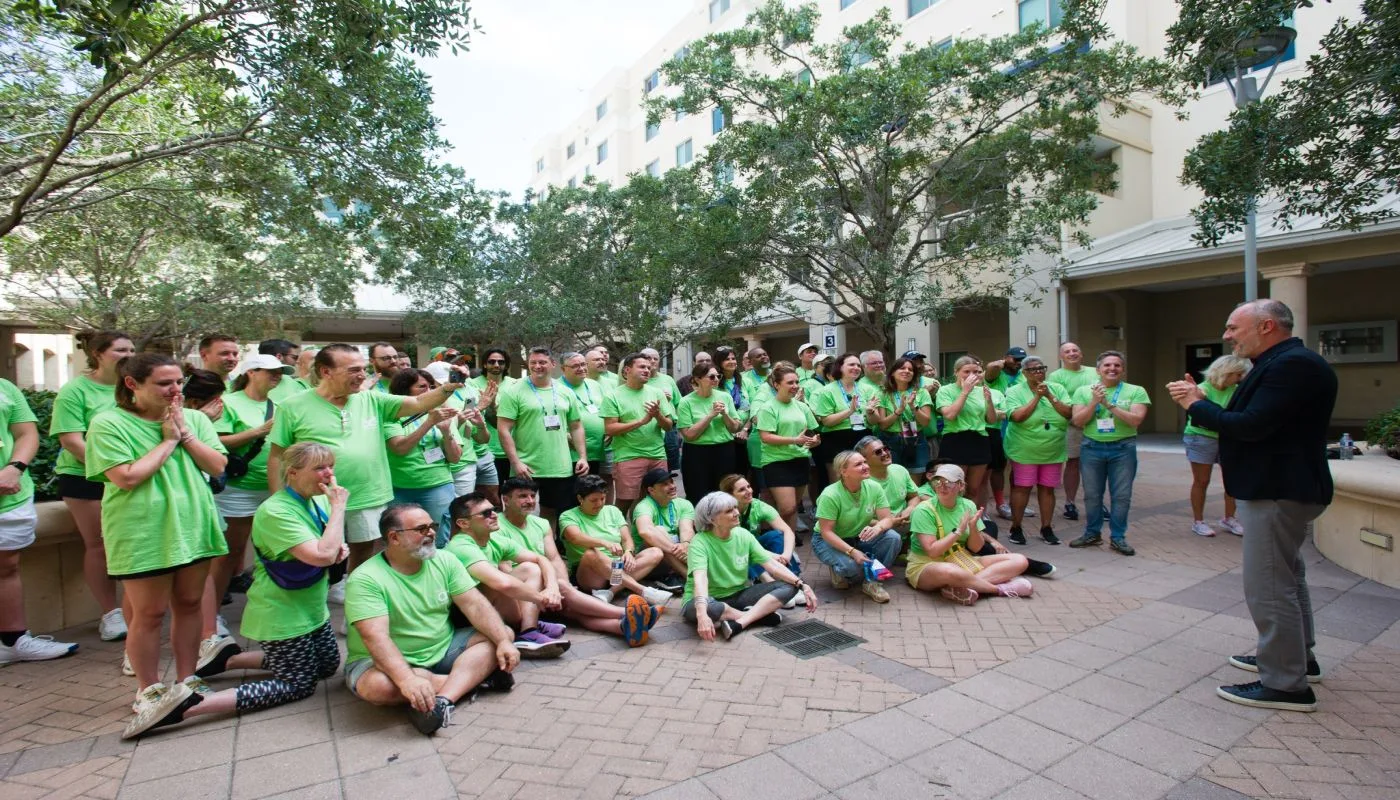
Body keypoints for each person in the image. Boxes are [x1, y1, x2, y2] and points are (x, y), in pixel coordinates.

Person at [1167, 299, 1336, 713]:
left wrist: (1194, 404)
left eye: (1233, 327)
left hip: (1276, 489)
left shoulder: (1291, 365)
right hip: (1280, 487)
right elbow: (1254, 419)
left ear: (1266, 326)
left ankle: (1286, 684)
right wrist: (1202, 398)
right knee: (1287, 577)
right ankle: (1298, 659)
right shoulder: (1281, 363)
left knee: (1269, 587)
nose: (1227, 335)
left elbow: (1249, 426)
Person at [126, 443, 349, 738]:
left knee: (328, 665)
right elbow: (321, 555)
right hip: (283, 614)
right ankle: (191, 705)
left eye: (330, 466)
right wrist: (339, 510)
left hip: (312, 608)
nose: (329, 473)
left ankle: (226, 659)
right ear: (293, 473)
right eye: (319, 468)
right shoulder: (276, 511)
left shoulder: (318, 501)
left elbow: (329, 544)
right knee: (299, 684)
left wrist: (338, 547)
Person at [85, 353, 229, 737]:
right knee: (148, 614)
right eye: (165, 383)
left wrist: (186, 434)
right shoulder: (108, 423)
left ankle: (188, 679)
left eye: (179, 382)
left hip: (194, 526)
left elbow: (217, 466)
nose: (175, 390)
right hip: (142, 531)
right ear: (132, 384)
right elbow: (127, 477)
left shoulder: (195, 419)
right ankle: (148, 690)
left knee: (189, 604)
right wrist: (168, 442)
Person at [268, 344, 461, 586]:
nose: (362, 376)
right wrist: (279, 499)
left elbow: (419, 403)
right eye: (353, 370)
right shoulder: (293, 406)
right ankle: (320, 592)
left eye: (363, 369)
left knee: (362, 551)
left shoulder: (372, 399)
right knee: (318, 553)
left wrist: (449, 387)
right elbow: (277, 456)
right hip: (316, 499)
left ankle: (354, 590)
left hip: (368, 495)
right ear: (326, 371)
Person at [344, 504, 520, 734]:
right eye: (421, 529)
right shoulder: (365, 579)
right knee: (378, 687)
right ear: (394, 537)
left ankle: (443, 700)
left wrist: (503, 642)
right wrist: (406, 679)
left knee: (503, 634)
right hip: (381, 661)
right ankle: (473, 677)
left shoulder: (445, 560)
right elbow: (375, 638)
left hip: (443, 647)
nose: (431, 533)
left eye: (432, 526)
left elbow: (475, 604)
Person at [497, 478, 660, 646]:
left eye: (532, 496)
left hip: (551, 584)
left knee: (576, 611)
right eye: (522, 496)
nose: (530, 500)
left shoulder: (541, 523)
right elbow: (505, 570)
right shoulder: (497, 526)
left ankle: (623, 626)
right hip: (518, 592)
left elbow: (554, 559)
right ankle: (629, 613)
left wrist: (562, 587)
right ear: (506, 500)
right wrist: (548, 590)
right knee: (541, 574)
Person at [50, 330, 135, 642]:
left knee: (130, 543)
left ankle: (137, 609)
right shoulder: (75, 391)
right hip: (84, 477)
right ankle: (110, 614)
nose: (128, 356)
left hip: (131, 474)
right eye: (121, 350)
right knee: (99, 544)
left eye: (132, 350)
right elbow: (72, 440)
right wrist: (111, 468)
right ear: (98, 354)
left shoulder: (133, 386)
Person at [203, 354, 287, 659]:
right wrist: (259, 431)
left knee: (273, 552)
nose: (277, 376)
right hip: (237, 490)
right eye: (271, 371)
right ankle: (210, 619)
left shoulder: (279, 405)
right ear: (251, 372)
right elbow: (214, 441)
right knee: (229, 554)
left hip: (273, 488)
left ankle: (274, 613)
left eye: (280, 372)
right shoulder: (228, 402)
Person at [0, 377, 79, 665]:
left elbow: (26, 434)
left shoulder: (5, 388)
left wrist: (14, 468)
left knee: (7, 567)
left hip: (10, 497)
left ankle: (12, 642)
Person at [444, 493, 570, 657]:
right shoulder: (461, 546)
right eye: (486, 513)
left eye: (494, 509)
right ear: (463, 523)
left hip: (491, 608)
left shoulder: (493, 539)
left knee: (530, 568)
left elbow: (541, 559)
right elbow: (502, 584)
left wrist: (552, 588)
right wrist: (542, 599)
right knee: (494, 582)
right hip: (465, 616)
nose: (494, 515)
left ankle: (528, 630)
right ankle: (525, 628)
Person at [684, 492, 817, 641]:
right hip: (706, 599)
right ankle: (756, 615)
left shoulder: (743, 535)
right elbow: (700, 579)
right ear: (712, 519)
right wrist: (702, 614)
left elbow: (772, 565)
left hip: (739, 595)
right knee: (711, 607)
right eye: (729, 511)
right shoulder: (699, 542)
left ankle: (740, 622)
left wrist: (802, 584)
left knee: (790, 586)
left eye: (735, 508)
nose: (736, 513)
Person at [905, 464, 1033, 605]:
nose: (942, 486)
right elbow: (932, 551)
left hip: (961, 560)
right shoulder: (923, 510)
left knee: (1020, 560)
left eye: (948, 482)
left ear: (960, 486)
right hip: (927, 565)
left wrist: (972, 528)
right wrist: (958, 531)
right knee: (951, 571)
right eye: (938, 481)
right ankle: (999, 589)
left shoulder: (968, 505)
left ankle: (961, 586)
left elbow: (976, 548)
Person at [1068, 351, 1151, 556]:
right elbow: (1078, 421)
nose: (1112, 368)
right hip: (1091, 447)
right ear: (1098, 370)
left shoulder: (1136, 390)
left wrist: (1109, 404)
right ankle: (1092, 533)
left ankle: (1118, 537)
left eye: (1117, 365)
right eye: (1107, 365)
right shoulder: (1083, 391)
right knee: (1092, 495)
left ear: (1122, 370)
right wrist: (1094, 402)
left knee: (1121, 496)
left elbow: (1135, 420)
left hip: (1123, 449)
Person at [496, 348, 588, 528]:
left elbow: (576, 426)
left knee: (551, 512)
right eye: (533, 363)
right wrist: (516, 462)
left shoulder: (565, 391)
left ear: (553, 364)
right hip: (526, 467)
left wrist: (582, 457)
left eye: (542, 362)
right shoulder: (514, 391)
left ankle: (548, 543)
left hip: (559, 467)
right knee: (519, 511)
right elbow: (503, 429)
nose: (537, 366)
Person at [559, 475, 672, 607]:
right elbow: (575, 537)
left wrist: (628, 552)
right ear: (580, 499)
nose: (599, 504)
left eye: (602, 499)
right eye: (593, 500)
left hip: (617, 570)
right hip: (591, 574)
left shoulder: (613, 511)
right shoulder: (568, 516)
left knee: (655, 552)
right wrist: (604, 543)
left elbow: (626, 539)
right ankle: (642, 590)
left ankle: (610, 592)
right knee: (591, 553)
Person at [386, 369, 463, 544]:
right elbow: (400, 448)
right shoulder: (392, 416)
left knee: (439, 537)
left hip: (438, 485)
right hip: (401, 488)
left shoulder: (441, 413)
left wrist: (446, 433)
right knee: (404, 539)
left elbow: (455, 458)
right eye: (422, 387)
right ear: (405, 390)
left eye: (432, 387)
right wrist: (429, 423)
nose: (430, 392)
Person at [812, 450, 900, 603]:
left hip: (858, 535)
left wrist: (878, 528)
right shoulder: (830, 494)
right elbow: (826, 532)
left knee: (893, 537)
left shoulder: (874, 487)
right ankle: (838, 568)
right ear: (844, 471)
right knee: (851, 569)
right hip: (827, 540)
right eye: (859, 464)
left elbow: (887, 519)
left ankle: (872, 582)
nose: (866, 466)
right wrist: (852, 552)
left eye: (865, 462)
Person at [1001, 355, 1072, 546]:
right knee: (1022, 488)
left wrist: (1049, 395)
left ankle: (1046, 528)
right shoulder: (1014, 391)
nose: (1038, 372)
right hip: (1025, 449)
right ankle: (1016, 527)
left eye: (1041, 368)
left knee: (1048, 489)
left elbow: (1068, 413)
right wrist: (1037, 397)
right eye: (1033, 369)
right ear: (1024, 373)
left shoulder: (1057, 388)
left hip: (1053, 450)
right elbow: (1017, 417)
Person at [1182, 355, 1251, 537]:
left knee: (1231, 480)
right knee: (1202, 480)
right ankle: (1198, 522)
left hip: (1227, 438)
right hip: (1201, 437)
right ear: (1226, 373)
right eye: (1237, 374)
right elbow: (1200, 411)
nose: (1240, 378)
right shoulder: (1202, 389)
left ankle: (1229, 518)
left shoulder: (1237, 390)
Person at [601, 353, 674, 514]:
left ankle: (647, 529)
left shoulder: (657, 393)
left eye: (648, 367)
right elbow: (610, 429)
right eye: (642, 367)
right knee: (625, 501)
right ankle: (618, 529)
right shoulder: (613, 395)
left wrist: (658, 415)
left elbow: (669, 426)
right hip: (628, 456)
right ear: (627, 370)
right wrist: (641, 421)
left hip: (657, 456)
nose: (647, 370)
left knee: (660, 500)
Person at [755, 365, 820, 533]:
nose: (795, 386)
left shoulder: (802, 407)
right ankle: (777, 538)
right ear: (776, 385)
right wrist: (794, 440)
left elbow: (812, 432)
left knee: (792, 509)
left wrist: (814, 440)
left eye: (797, 382)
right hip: (776, 462)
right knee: (787, 508)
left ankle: (788, 540)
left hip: (800, 460)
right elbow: (766, 437)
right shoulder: (768, 408)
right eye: (790, 382)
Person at [935, 356, 1003, 503]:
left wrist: (989, 401)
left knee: (973, 489)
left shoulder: (981, 391)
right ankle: (954, 516)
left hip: (979, 440)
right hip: (955, 440)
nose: (972, 375)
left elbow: (991, 420)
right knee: (954, 487)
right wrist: (965, 392)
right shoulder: (945, 390)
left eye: (976, 372)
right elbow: (950, 415)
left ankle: (973, 516)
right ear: (956, 372)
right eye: (967, 371)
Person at [719, 474, 801, 594]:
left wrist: (786, 555)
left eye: (748, 486)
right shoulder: (723, 511)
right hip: (731, 553)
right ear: (730, 495)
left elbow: (787, 531)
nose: (749, 491)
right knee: (742, 547)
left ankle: (792, 580)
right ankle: (768, 583)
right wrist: (773, 556)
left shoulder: (757, 506)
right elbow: (738, 545)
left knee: (775, 535)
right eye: (742, 490)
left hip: (754, 548)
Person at [676, 362, 743, 500]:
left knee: (725, 493)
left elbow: (735, 427)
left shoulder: (725, 396)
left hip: (724, 450)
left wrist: (725, 414)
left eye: (718, 376)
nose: (716, 379)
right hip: (697, 453)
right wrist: (711, 415)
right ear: (698, 379)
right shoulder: (686, 401)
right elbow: (688, 435)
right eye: (711, 377)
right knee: (698, 493)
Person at [1048, 342, 1095, 521]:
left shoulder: (1095, 372)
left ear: (1081, 354)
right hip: (1072, 427)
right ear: (1061, 356)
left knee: (1096, 465)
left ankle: (1096, 503)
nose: (1072, 353)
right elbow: (1058, 402)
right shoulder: (1056, 376)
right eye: (1067, 351)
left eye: (1075, 350)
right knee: (1073, 463)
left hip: (1095, 425)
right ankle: (1070, 503)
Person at [810, 353, 874, 481]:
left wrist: (870, 412)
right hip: (836, 439)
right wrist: (850, 411)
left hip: (863, 436)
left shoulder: (867, 389)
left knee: (865, 479)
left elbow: (873, 422)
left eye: (858, 365)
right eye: (851, 364)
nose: (856, 368)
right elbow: (826, 421)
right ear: (840, 367)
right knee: (839, 481)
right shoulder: (827, 390)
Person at [631, 468, 694, 589]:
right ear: (651, 490)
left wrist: (685, 544)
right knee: (659, 532)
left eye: (671, 482)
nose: (672, 486)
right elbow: (645, 531)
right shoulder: (643, 506)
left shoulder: (684, 504)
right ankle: (688, 575)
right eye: (665, 484)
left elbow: (687, 529)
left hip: (679, 554)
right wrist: (676, 551)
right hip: (652, 561)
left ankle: (682, 575)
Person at [870, 356, 933, 477]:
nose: (907, 371)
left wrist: (913, 407)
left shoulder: (921, 392)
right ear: (893, 372)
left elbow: (925, 422)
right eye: (902, 368)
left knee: (915, 480)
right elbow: (882, 425)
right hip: (890, 441)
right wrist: (899, 411)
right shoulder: (883, 393)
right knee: (893, 478)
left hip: (916, 440)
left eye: (910, 369)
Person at [856, 436, 921, 534]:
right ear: (864, 460)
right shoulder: (859, 482)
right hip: (877, 528)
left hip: (905, 520)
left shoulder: (899, 470)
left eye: (885, 449)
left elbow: (914, 496)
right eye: (878, 452)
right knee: (892, 535)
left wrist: (909, 509)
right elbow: (857, 518)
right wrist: (888, 523)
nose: (885, 453)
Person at [472, 348, 516, 487]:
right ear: (484, 364)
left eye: (501, 362)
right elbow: (467, 411)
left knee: (514, 494)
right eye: (492, 361)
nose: (496, 365)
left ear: (506, 365)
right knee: (490, 496)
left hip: (512, 451)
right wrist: (486, 405)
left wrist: (493, 406)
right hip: (484, 452)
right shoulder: (471, 384)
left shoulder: (516, 385)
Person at [559, 352, 607, 477]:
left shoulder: (594, 385)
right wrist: (564, 435)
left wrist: (608, 430)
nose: (581, 368)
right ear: (563, 369)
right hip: (571, 451)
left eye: (583, 364)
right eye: (575, 366)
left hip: (596, 451)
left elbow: (605, 410)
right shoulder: (556, 388)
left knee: (593, 487)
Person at [714, 346, 753, 482]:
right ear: (719, 363)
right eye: (727, 359)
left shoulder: (745, 381)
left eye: (733, 358)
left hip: (744, 435)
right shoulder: (715, 382)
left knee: (742, 474)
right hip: (723, 435)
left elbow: (754, 408)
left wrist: (745, 429)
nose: (731, 361)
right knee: (726, 476)